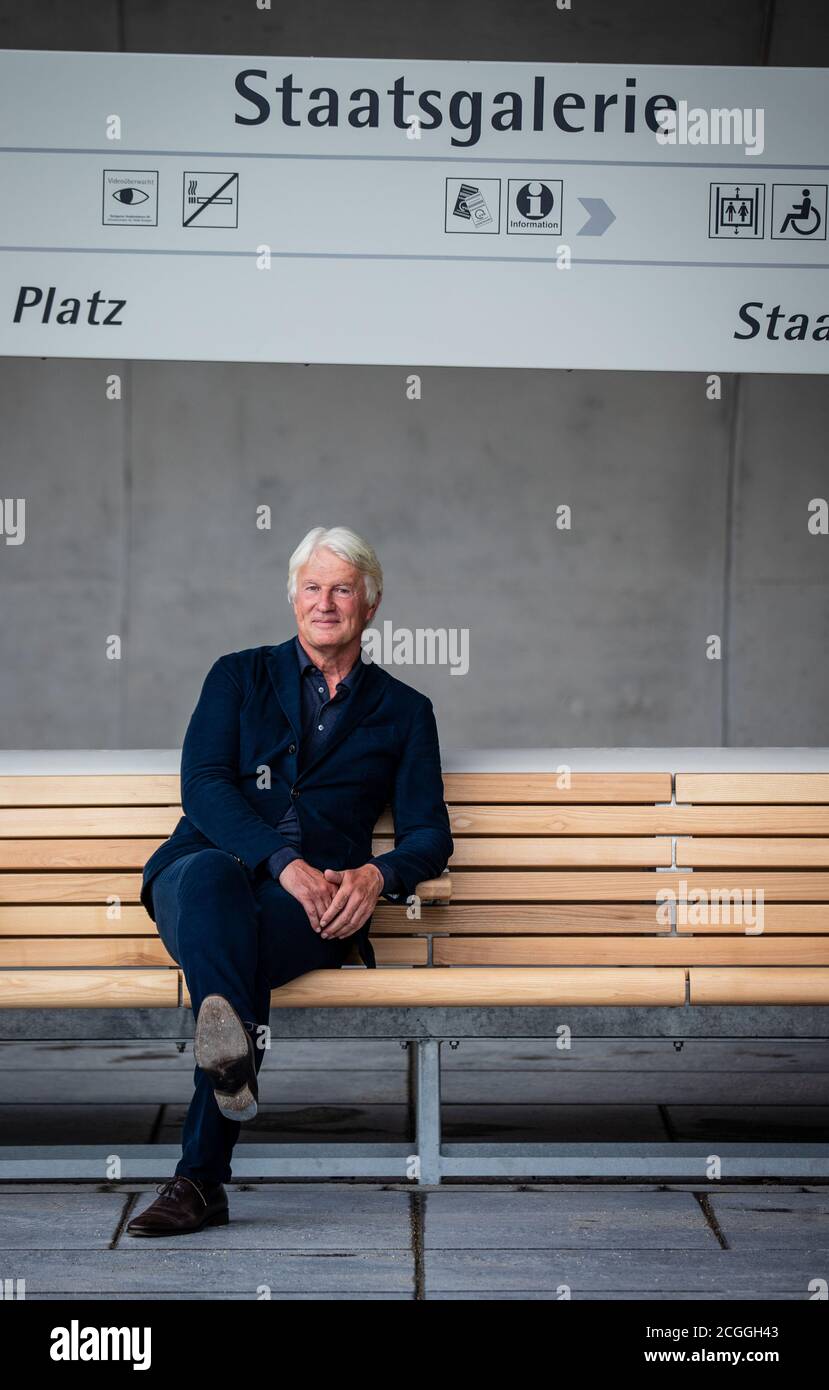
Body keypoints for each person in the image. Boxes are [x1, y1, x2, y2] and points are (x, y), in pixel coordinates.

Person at [126, 526, 453, 1236]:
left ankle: (202, 1171)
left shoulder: (404, 711)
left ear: (370, 606)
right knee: (213, 879)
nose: (325, 602)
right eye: (311, 588)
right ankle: (202, 1171)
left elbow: (430, 835)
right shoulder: (238, 676)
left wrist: (377, 874)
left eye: (342, 589)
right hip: (200, 873)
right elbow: (205, 787)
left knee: (231, 965)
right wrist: (281, 860)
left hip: (316, 910)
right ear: (293, 601)